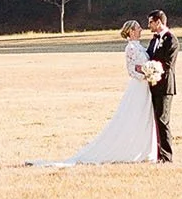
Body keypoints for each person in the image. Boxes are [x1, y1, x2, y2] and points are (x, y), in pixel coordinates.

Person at [29, 20, 159, 165]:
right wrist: (145, 73)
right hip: (138, 86)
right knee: (133, 115)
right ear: (130, 31)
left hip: (145, 86)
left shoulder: (139, 47)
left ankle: (144, 149)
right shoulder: (130, 48)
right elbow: (131, 69)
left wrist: (151, 71)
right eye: (138, 28)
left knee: (144, 116)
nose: (141, 29)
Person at [144, 9, 177, 162]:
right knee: (156, 121)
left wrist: (154, 70)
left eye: (150, 22)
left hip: (165, 87)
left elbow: (168, 64)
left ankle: (166, 156)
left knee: (163, 121)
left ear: (158, 22)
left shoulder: (171, 40)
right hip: (152, 86)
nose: (148, 25)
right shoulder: (153, 40)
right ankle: (157, 154)